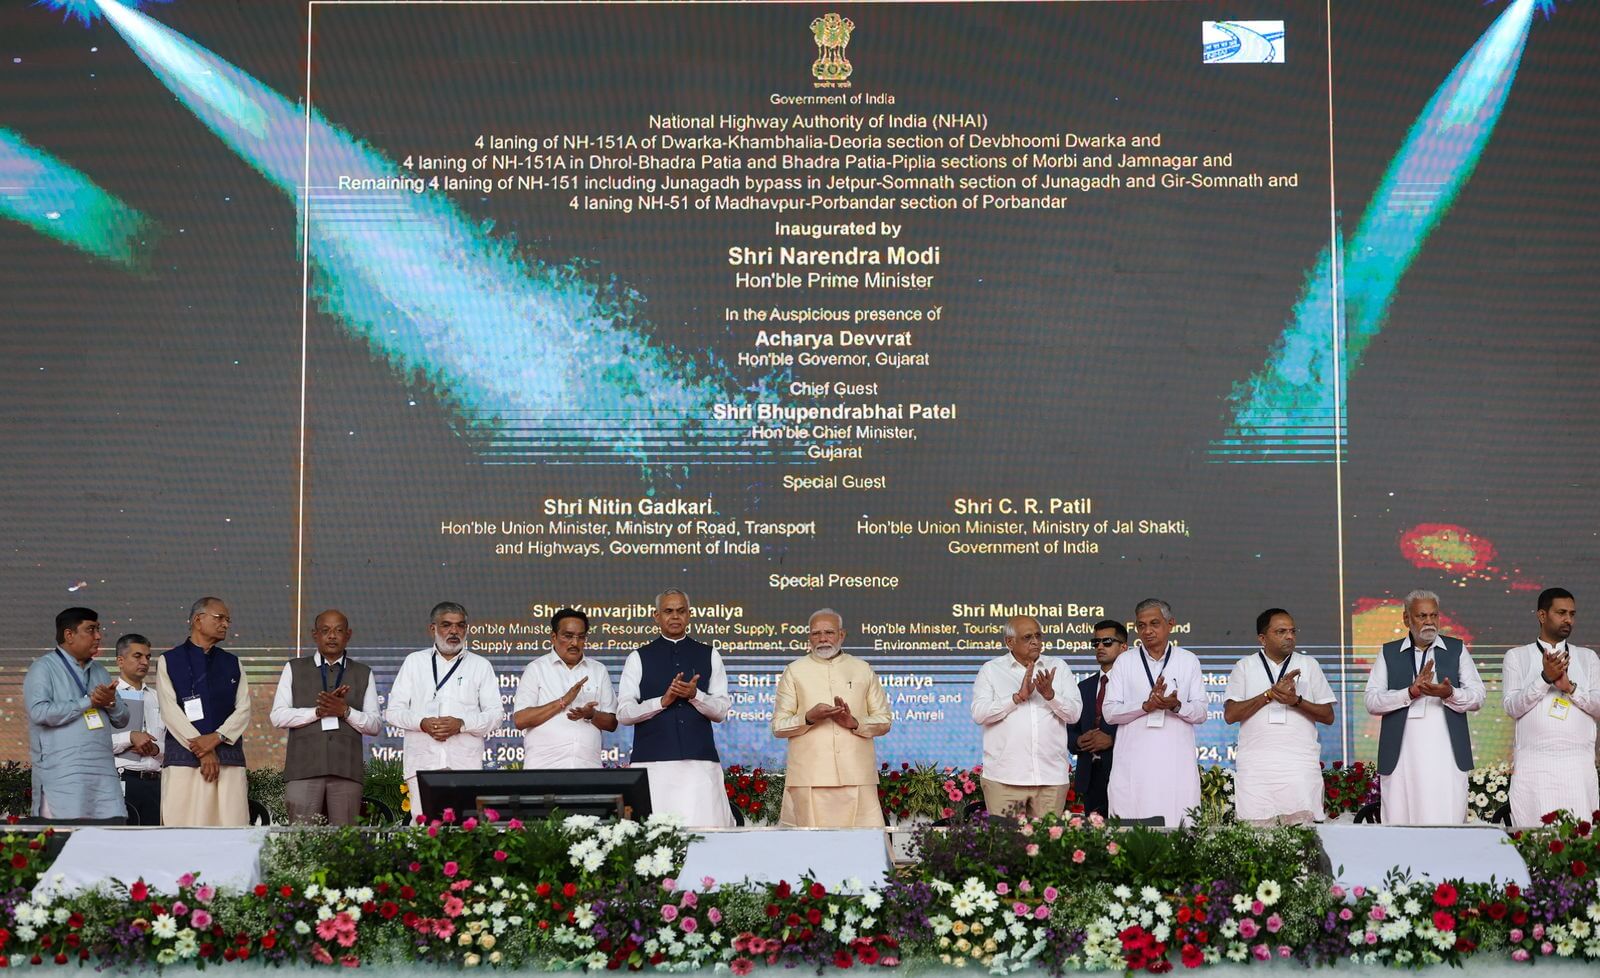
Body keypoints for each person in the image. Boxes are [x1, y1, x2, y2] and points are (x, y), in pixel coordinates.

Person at [1363, 589, 1485, 825]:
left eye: (1434, 615)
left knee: (1447, 821)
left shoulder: (1456, 649)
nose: (1429, 621)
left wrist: (1449, 693)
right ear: (1406, 619)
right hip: (1401, 756)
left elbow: (1478, 696)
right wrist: (1410, 692)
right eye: (1422, 616)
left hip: (1446, 754)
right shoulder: (1388, 652)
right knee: (1401, 822)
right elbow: (1372, 701)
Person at [617, 588, 734, 827]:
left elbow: (721, 711)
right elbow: (624, 713)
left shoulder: (710, 654)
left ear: (689, 615)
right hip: (653, 765)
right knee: (655, 840)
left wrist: (695, 695)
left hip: (699, 766)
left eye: (681, 611)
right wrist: (661, 702)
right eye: (668, 611)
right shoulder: (638, 657)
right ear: (656, 616)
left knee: (707, 835)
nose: (675, 616)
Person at [771, 609, 893, 826]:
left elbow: (883, 721)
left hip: (857, 775)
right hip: (810, 777)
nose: (823, 639)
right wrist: (808, 718)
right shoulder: (794, 671)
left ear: (842, 635)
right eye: (816, 633)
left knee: (863, 848)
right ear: (809, 637)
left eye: (829, 632)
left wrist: (855, 723)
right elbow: (779, 727)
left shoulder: (862, 669)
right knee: (810, 853)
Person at [384, 602, 502, 820]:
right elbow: (392, 712)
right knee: (423, 832)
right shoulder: (414, 662)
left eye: (460, 625)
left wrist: (462, 724)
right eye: (447, 625)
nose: (454, 631)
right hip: (422, 763)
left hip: (464, 765)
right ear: (433, 629)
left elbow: (496, 715)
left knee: (463, 833)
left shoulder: (480, 665)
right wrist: (422, 723)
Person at [1223, 609, 1337, 825]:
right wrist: (1269, 695)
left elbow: (1328, 715)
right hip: (1256, 769)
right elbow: (1231, 714)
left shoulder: (1308, 665)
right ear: (1262, 638)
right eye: (1281, 631)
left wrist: (1296, 701)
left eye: (1293, 631)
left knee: (1305, 839)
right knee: (1255, 837)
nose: (1290, 636)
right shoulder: (1244, 666)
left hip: (1299, 767)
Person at [1101, 598, 1207, 826]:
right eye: (1141, 626)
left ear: (1171, 624)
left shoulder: (1188, 661)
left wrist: (1176, 706)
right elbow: (1109, 712)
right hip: (1134, 766)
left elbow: (1201, 713)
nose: (1147, 631)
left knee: (1178, 831)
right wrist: (1144, 706)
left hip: (1176, 766)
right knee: (1132, 837)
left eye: (1154, 624)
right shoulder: (1124, 662)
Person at [269, 610, 382, 825]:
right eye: (326, 631)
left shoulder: (363, 672)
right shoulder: (294, 668)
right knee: (302, 842)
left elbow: (375, 724)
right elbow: (278, 717)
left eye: (338, 631)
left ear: (348, 635)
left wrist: (345, 712)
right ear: (315, 635)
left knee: (344, 843)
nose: (332, 636)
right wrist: (317, 712)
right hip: (303, 769)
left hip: (346, 769)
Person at [1503, 588, 1600, 825]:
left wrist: (1570, 688)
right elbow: (1511, 707)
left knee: (1580, 840)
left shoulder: (1587, 658)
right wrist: (1544, 679)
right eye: (1561, 613)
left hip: (1578, 766)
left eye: (1572, 614)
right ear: (1542, 615)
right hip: (1534, 766)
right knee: (1534, 838)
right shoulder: (1517, 656)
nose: (1568, 619)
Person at [971, 615, 1082, 818]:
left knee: (1048, 848)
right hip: (1004, 778)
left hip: (1050, 778)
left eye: (1038, 636)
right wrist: (1017, 697)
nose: (1035, 642)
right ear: (1009, 642)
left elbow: (1074, 715)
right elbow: (979, 714)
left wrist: (1050, 695)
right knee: (1006, 847)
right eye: (1028, 637)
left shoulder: (1059, 667)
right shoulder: (991, 670)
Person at [24, 608, 128, 821]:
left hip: (104, 775)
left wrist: (109, 702)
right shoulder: (43, 668)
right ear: (69, 635)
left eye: (98, 630)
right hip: (63, 775)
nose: (98, 636)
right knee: (65, 839)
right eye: (91, 630)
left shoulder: (99, 670)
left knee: (111, 835)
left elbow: (123, 719)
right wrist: (89, 701)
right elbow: (39, 712)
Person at [156, 597, 252, 826]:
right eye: (220, 618)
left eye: (228, 620)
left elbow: (244, 709)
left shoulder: (232, 663)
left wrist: (216, 738)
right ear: (198, 620)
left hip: (227, 760)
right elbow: (170, 711)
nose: (226, 624)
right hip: (184, 762)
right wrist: (203, 749)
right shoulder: (169, 660)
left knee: (230, 827)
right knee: (182, 830)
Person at [512, 608, 618, 769]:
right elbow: (521, 720)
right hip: (544, 769)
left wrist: (591, 714)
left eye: (581, 637)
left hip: (588, 769)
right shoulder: (536, 669)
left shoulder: (598, 670)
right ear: (554, 637)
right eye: (568, 636)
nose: (575, 643)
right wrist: (563, 701)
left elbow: (612, 723)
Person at [1066, 619, 1128, 817]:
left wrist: (1112, 739)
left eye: (1107, 642)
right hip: (1089, 777)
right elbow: (1069, 729)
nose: (1100, 647)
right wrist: (1077, 741)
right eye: (1096, 642)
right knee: (1094, 841)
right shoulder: (1084, 687)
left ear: (1124, 647)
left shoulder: (1134, 686)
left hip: (1123, 774)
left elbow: (1142, 727)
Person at [111, 633, 165, 826]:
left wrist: (156, 749)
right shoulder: (105, 696)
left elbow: (174, 743)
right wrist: (129, 737)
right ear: (120, 660)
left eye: (148, 657)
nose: (144, 661)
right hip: (121, 780)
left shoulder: (159, 698)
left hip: (156, 783)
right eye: (137, 656)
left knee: (153, 848)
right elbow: (92, 744)